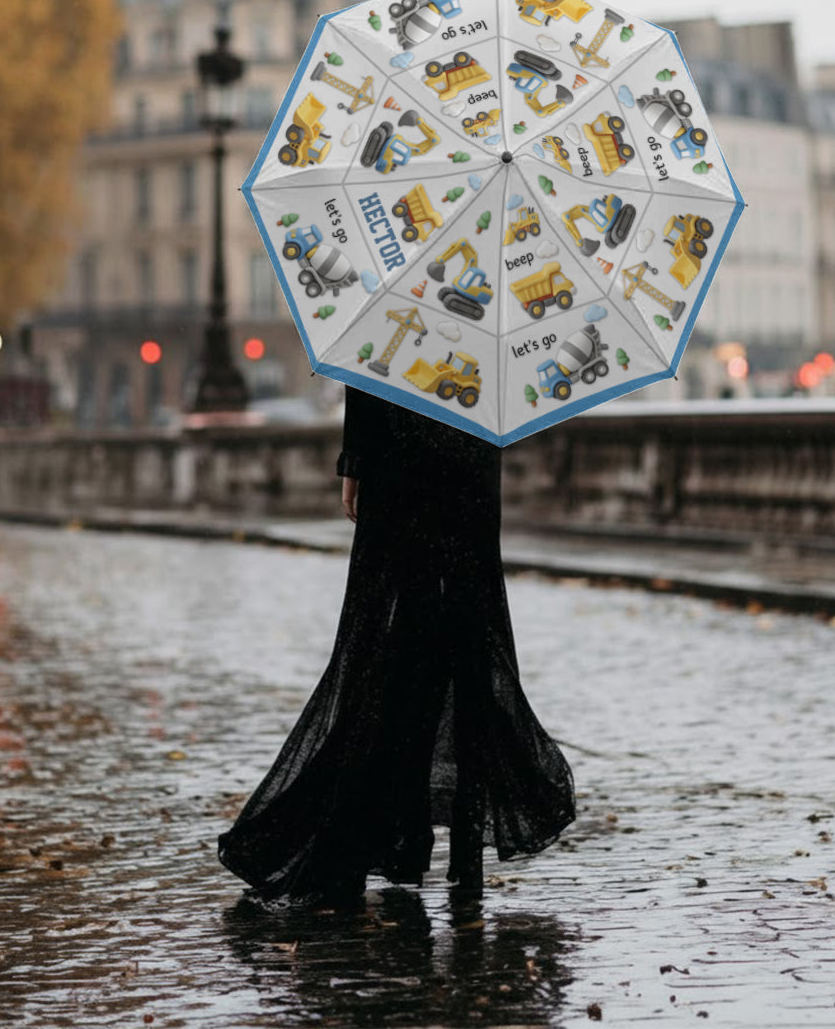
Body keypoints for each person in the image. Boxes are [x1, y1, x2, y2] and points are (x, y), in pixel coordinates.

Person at [216, 385, 576, 905]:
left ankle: (386, 829)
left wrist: (355, 461)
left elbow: (369, 370)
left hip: (400, 445)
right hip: (470, 446)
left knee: (394, 639)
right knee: (467, 637)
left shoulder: (392, 330)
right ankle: (461, 845)